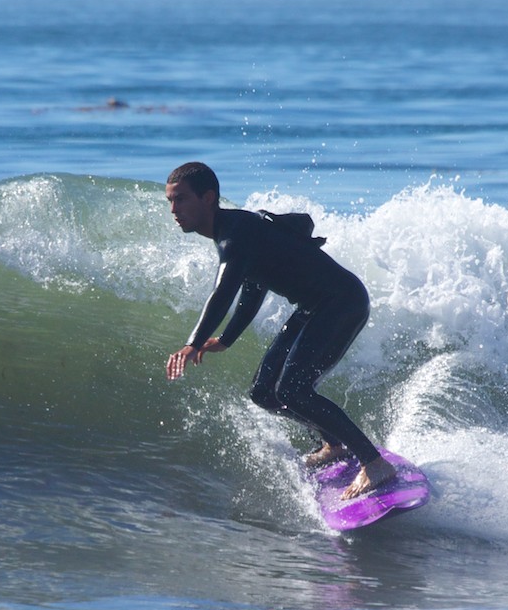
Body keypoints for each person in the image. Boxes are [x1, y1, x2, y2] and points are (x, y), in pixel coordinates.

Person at [164, 162, 397, 500]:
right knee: (263, 392)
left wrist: (193, 343)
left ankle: (373, 463)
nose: (174, 210)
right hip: (314, 307)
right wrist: (225, 340)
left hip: (341, 302)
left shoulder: (234, 234)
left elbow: (223, 292)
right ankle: (333, 444)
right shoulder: (235, 232)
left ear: (208, 197)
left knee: (293, 389)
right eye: (170, 201)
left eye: (181, 199)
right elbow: (253, 286)